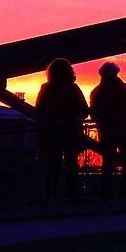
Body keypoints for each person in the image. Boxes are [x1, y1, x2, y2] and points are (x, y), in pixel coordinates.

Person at [35, 59, 90, 200]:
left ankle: (52, 196)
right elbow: (84, 111)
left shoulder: (46, 88)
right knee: (71, 165)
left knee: (53, 166)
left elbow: (39, 111)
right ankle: (72, 195)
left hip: (52, 133)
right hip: (71, 132)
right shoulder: (73, 88)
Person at [89, 61, 126, 192]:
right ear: (116, 73)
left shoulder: (97, 92)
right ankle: (124, 190)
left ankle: (106, 190)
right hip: (125, 130)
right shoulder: (124, 88)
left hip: (107, 132)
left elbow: (93, 114)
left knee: (108, 162)